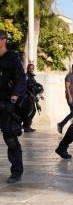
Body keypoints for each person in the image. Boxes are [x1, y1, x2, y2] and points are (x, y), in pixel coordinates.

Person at [0, 30, 26, 183]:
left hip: (8, 103)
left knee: (10, 137)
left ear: (4, 40)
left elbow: (21, 80)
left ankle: (16, 171)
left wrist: (13, 100)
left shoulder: (13, 58)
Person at [57, 64, 73, 133]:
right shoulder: (69, 76)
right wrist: (69, 97)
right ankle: (61, 124)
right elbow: (67, 88)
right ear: (72, 68)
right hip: (71, 96)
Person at [23, 63, 43, 133]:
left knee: (33, 111)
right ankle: (25, 126)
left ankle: (27, 126)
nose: (30, 69)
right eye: (29, 68)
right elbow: (24, 87)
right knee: (29, 111)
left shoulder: (32, 76)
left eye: (32, 68)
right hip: (27, 96)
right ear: (27, 68)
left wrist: (40, 88)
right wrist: (30, 93)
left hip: (32, 96)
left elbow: (34, 84)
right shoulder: (26, 76)